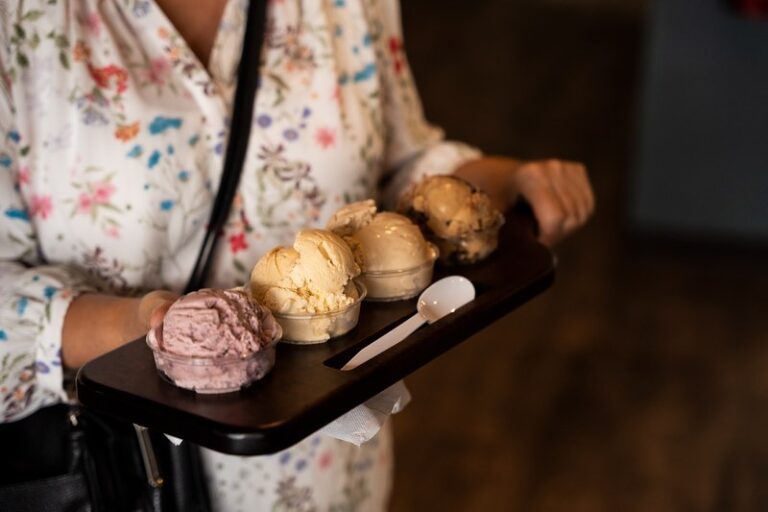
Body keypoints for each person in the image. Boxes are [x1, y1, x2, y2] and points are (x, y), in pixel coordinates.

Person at [0, 0, 594, 509]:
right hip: (125, 475)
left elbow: (404, 163)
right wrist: (142, 326)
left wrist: (509, 183)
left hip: (325, 466)